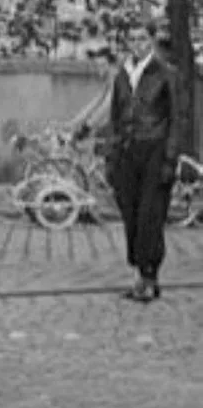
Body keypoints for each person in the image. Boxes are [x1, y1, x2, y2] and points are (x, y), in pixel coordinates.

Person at [108, 20, 189, 302]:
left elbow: (179, 118)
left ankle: (149, 277)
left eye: (142, 38)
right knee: (131, 215)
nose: (137, 43)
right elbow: (115, 117)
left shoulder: (167, 74)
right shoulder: (122, 75)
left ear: (152, 41)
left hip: (155, 149)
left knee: (149, 217)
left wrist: (170, 157)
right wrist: (112, 155)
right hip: (128, 152)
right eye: (132, 38)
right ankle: (139, 272)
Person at [70, 46, 120, 141]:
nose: (98, 68)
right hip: (116, 123)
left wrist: (87, 127)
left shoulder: (118, 79)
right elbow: (96, 101)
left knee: (91, 136)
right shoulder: (109, 79)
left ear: (112, 65)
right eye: (96, 65)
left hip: (127, 126)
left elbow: (107, 105)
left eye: (102, 65)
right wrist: (74, 122)